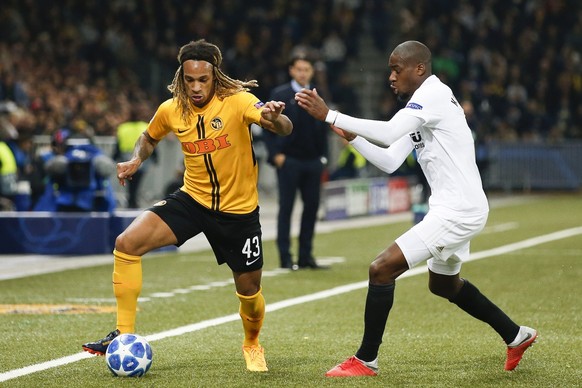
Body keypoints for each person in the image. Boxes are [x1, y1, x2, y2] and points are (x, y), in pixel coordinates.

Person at [295, 40, 537, 377]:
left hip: (458, 210)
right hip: (455, 207)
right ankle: (517, 335)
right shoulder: (421, 107)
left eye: (397, 69)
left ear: (419, 69)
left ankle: (365, 360)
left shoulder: (432, 95)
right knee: (443, 285)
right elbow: (391, 160)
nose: (391, 77)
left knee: (381, 269)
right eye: (390, 70)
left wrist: (329, 113)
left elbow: (390, 130)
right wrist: (352, 137)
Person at [81, 39, 292, 373]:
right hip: (192, 200)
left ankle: (252, 343)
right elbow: (149, 137)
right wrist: (136, 158)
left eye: (202, 80)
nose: (195, 87)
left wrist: (274, 118)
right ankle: (123, 334)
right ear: (181, 77)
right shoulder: (172, 109)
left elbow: (281, 127)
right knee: (126, 243)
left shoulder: (238, 101)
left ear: (215, 77)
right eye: (189, 80)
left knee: (249, 292)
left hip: (238, 213)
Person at [264, 52, 328, 269]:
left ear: (312, 72)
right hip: (289, 160)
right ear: (291, 70)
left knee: (311, 209)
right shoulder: (279, 93)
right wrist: (275, 156)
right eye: (299, 69)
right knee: (286, 209)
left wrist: (323, 157)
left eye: (306, 69)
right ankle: (285, 257)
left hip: (312, 161)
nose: (303, 73)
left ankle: (305, 256)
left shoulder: (317, 95)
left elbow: (323, 128)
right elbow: (267, 127)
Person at [114, 103, 158, 208]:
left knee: (129, 179)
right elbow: (150, 142)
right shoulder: (144, 125)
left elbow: (118, 144)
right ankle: (133, 200)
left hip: (126, 156)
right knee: (137, 180)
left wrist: (115, 156)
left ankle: (131, 199)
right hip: (141, 157)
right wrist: (155, 156)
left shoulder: (123, 128)